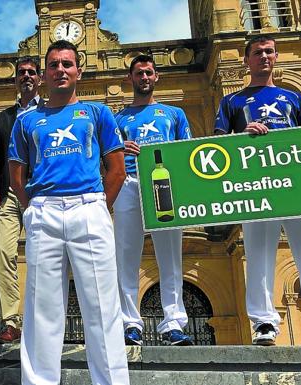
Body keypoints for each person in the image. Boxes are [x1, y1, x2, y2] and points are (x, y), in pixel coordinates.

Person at [9, 40, 129, 385]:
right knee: (41, 309)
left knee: (102, 307)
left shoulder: (97, 113)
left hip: (88, 207)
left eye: (67, 64)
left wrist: (98, 206)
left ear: (79, 70)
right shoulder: (27, 121)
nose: (60, 70)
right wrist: (31, 207)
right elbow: (17, 174)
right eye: (54, 65)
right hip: (44, 212)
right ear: (44, 74)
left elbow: (117, 169)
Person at [214, 34, 301, 346]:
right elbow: (218, 144)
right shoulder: (231, 101)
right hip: (254, 185)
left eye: (269, 51)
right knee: (257, 251)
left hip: (294, 181)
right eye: (257, 52)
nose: (264, 57)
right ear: (246, 60)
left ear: (276, 56)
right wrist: (241, 134)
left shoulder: (293, 98)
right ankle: (263, 323)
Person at [113, 54, 194, 347]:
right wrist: (119, 149)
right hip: (129, 184)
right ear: (130, 79)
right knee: (125, 255)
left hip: (165, 185)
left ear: (156, 77)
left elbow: (187, 151)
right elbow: (105, 158)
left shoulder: (174, 114)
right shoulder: (118, 118)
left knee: (170, 256)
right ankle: (129, 324)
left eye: (148, 72)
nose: (144, 77)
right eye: (139, 73)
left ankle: (173, 324)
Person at [0, 56, 44, 343]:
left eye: (31, 72)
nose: (26, 76)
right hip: (9, 192)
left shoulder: (48, 112)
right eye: (21, 73)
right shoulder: (3, 117)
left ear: (39, 79)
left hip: (40, 191)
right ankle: (10, 321)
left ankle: (40, 320)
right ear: (15, 80)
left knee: (43, 256)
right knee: (3, 253)